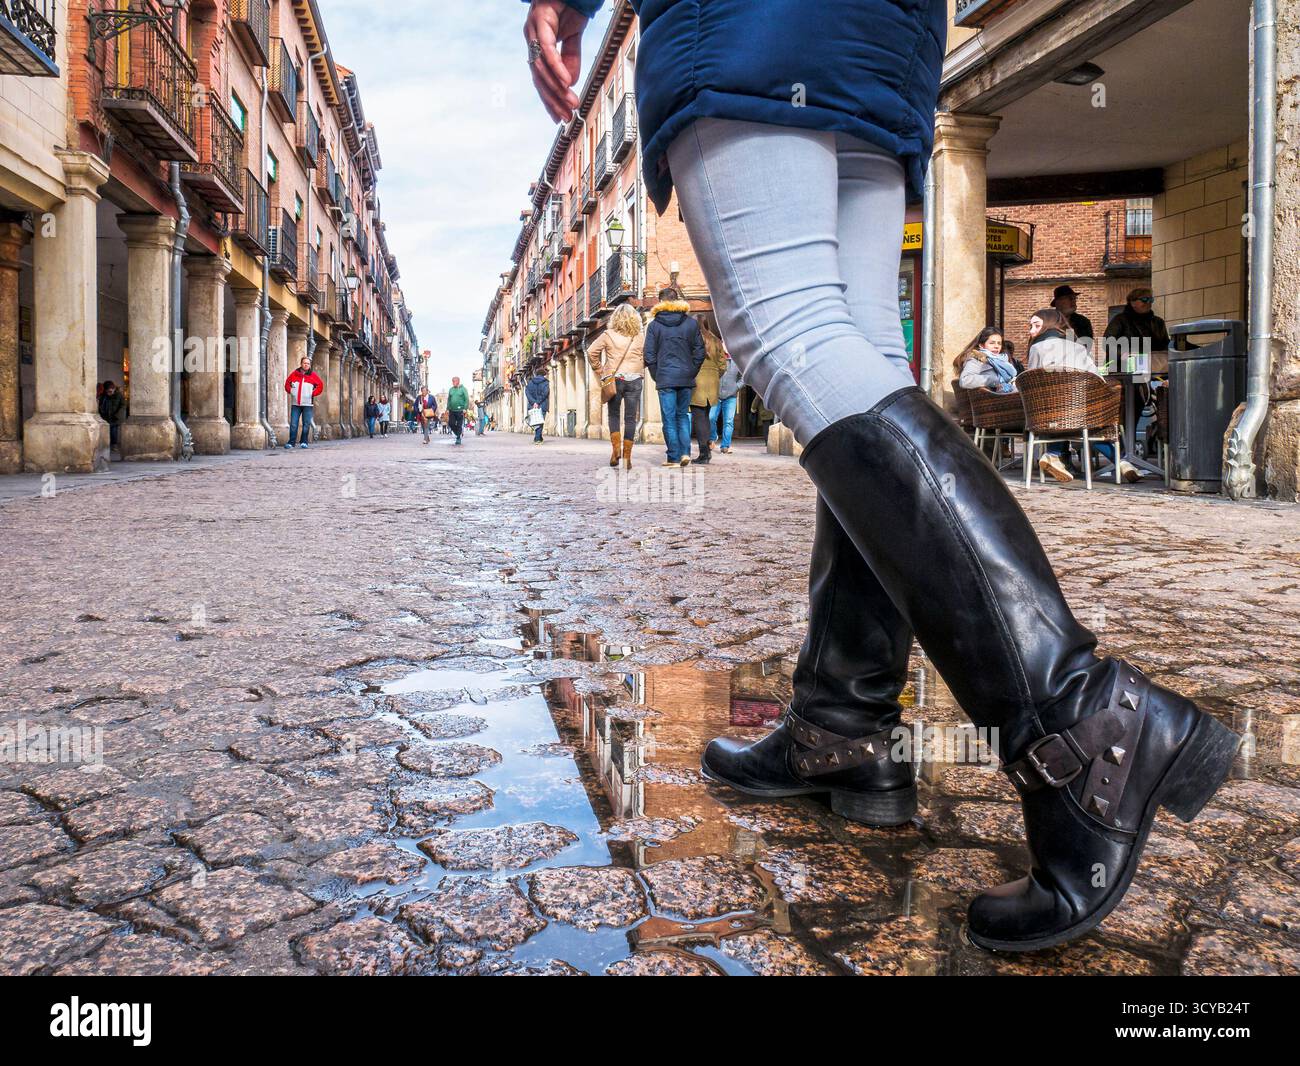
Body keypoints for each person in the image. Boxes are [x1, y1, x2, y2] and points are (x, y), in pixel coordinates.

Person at [524, 0, 1239, 955]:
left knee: (793, 335)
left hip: (751, 25)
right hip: (879, 36)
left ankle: (1083, 726)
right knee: (853, 344)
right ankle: (843, 724)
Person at [1027, 308, 1140, 484]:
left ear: (1049, 325)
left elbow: (1032, 381)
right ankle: (1122, 461)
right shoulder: (1079, 347)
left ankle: (1052, 454)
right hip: (1083, 410)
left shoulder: (1037, 348)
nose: (1031, 330)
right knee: (1090, 427)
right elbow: (1097, 378)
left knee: (1058, 416)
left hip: (1050, 414)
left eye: (1036, 325)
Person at [643, 286, 705, 467]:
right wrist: (691, 371)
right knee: (683, 416)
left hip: (665, 378)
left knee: (669, 418)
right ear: (677, 300)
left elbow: (649, 355)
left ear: (661, 302)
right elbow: (699, 352)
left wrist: (657, 375)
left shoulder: (654, 326)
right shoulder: (691, 323)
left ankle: (673, 457)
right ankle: (685, 453)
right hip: (685, 377)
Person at [585, 302, 645, 469]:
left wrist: (600, 370)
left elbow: (591, 352)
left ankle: (615, 451)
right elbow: (647, 355)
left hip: (614, 379)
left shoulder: (608, 334)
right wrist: (639, 366)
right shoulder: (640, 336)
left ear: (615, 318)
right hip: (635, 379)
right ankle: (627, 458)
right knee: (631, 418)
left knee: (613, 415)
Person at [689, 326, 727, 464]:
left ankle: (704, 453)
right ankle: (706, 452)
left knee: (699, 419)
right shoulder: (716, 341)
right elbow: (723, 365)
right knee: (705, 417)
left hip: (696, 381)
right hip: (712, 382)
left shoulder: (692, 339)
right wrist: (715, 375)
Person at [955, 327, 1017, 392]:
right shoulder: (976, 359)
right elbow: (965, 380)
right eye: (992, 343)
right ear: (981, 345)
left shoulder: (1002, 361)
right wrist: (994, 380)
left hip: (1005, 396)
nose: (996, 346)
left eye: (999, 343)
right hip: (990, 400)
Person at [284, 355, 323, 449]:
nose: (306, 365)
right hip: (295, 404)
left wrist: (313, 393)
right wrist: (292, 392)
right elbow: (287, 384)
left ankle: (304, 441)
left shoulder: (313, 375)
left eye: (308, 363)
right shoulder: (294, 374)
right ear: (301, 364)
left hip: (308, 404)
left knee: (306, 424)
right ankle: (291, 442)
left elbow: (320, 386)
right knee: (293, 424)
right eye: (305, 363)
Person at [711, 349, 741, 454]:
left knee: (728, 421)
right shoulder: (716, 360)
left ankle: (725, 446)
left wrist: (736, 387)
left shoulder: (737, 362)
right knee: (711, 417)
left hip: (731, 397)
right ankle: (713, 436)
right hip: (716, 395)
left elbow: (744, 377)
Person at [97, 380, 125, 449]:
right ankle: (106, 444)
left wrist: (117, 415)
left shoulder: (119, 395)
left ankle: (113, 444)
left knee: (113, 430)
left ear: (114, 389)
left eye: (111, 391)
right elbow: (100, 405)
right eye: (108, 392)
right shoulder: (103, 396)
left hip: (115, 417)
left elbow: (123, 406)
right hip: (105, 416)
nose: (110, 393)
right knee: (105, 430)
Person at [525, 369, 549, 444]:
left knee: (535, 422)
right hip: (542, 405)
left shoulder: (530, 382)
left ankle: (539, 437)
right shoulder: (545, 382)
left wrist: (533, 402)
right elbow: (545, 393)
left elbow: (527, 393)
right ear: (544, 374)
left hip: (532, 405)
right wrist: (538, 402)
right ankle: (537, 439)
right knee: (540, 422)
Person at [446, 376, 470, 445]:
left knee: (459, 425)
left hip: (460, 410)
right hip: (452, 410)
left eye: (454, 381)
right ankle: (458, 433)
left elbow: (466, 399)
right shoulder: (451, 389)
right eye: (452, 381)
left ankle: (458, 438)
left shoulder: (463, 389)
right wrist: (447, 408)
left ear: (458, 381)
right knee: (451, 423)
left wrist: (465, 408)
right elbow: (449, 399)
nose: (453, 383)